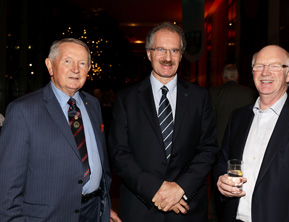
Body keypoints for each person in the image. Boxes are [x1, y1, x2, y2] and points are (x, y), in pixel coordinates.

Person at [0, 38, 121, 222]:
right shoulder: (23, 110)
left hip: (92, 212)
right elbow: (7, 188)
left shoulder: (92, 105)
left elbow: (100, 165)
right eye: (67, 61)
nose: (75, 69)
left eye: (82, 63)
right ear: (50, 66)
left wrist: (103, 208)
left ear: (88, 69)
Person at [109, 22, 218, 221]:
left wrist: (180, 188)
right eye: (160, 49)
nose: (167, 58)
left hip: (187, 207)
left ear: (181, 55)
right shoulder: (127, 98)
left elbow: (208, 149)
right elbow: (119, 153)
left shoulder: (200, 97)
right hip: (140, 208)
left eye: (174, 50)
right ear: (149, 53)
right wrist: (156, 189)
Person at [214, 45, 289, 222]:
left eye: (275, 66)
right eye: (259, 66)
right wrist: (221, 182)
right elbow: (222, 161)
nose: (265, 72)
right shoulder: (238, 118)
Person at [210, 63, 257, 148]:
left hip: (220, 141)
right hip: (244, 140)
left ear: (223, 76)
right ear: (237, 76)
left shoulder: (215, 92)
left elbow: (210, 119)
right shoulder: (250, 93)